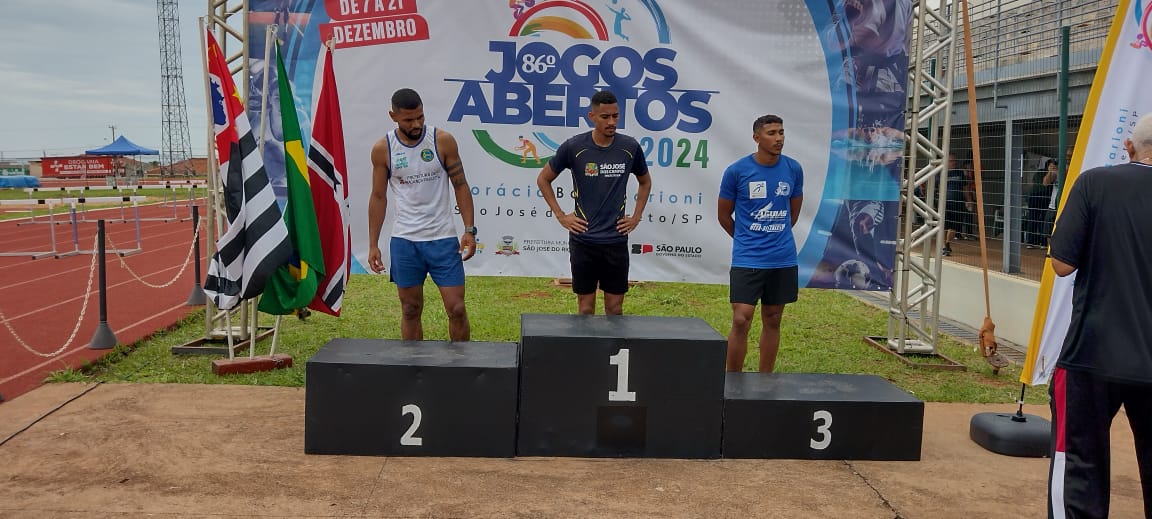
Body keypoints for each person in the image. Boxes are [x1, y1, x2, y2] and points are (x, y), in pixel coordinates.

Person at [1046, 113, 1152, 519]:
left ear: (1128, 148)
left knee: (1080, 465)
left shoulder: (1095, 182)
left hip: (1093, 351)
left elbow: (1061, 265)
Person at [367, 88, 477, 341]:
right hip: (405, 240)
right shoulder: (383, 149)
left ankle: (462, 369)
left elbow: (460, 185)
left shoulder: (442, 140)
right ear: (393, 116)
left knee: (457, 308)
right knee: (410, 309)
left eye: (420, 117)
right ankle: (414, 370)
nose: (416, 124)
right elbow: (378, 196)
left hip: (442, 238)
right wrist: (373, 244)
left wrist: (469, 230)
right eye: (408, 119)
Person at [537, 90, 652, 315]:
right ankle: (584, 352)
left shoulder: (630, 147)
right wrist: (561, 215)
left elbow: (645, 182)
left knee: (615, 308)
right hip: (584, 241)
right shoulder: (574, 147)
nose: (611, 122)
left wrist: (636, 217)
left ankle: (614, 351)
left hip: (615, 241)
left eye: (616, 116)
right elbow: (543, 179)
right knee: (586, 308)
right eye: (605, 117)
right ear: (592, 116)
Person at [717, 114, 804, 373]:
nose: (778, 139)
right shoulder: (737, 171)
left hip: (782, 258)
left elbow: (793, 214)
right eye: (772, 133)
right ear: (757, 138)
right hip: (748, 258)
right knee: (741, 318)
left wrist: (774, 236)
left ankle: (764, 382)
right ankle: (732, 382)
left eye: (781, 133)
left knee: (773, 318)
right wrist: (747, 239)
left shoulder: (793, 169)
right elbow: (723, 216)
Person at [1026, 159, 1058, 248]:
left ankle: (1031, 242)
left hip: (1035, 197)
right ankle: (1041, 243)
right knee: (1041, 220)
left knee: (1034, 219)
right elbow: (1045, 184)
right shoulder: (1046, 173)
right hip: (1042, 197)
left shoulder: (1040, 172)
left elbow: (1032, 183)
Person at [941, 153, 966, 256]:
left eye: (955, 161)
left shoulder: (960, 173)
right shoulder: (941, 173)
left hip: (958, 203)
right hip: (944, 204)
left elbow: (965, 188)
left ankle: (947, 243)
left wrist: (968, 200)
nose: (954, 163)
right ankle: (945, 246)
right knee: (944, 226)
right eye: (951, 161)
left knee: (954, 227)